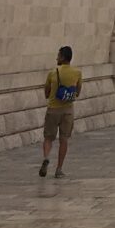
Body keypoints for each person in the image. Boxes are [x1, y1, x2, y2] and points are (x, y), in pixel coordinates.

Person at [39, 44, 82, 179]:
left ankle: (46, 157)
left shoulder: (53, 73)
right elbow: (77, 92)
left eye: (58, 56)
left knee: (48, 138)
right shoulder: (77, 73)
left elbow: (46, 93)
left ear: (63, 57)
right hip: (68, 111)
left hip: (53, 109)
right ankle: (59, 169)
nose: (56, 58)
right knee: (64, 140)